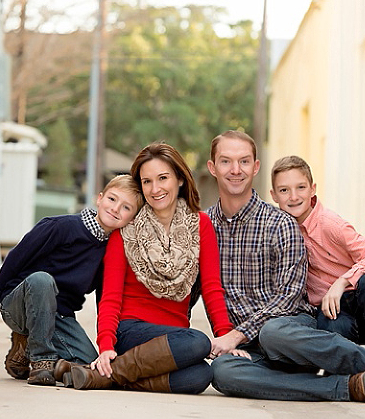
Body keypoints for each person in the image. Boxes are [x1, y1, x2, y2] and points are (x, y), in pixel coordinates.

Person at [204, 130, 365, 404]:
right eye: (225, 161)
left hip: (289, 332)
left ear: (255, 167)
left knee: (273, 332)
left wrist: (236, 334)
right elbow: (190, 287)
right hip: (245, 348)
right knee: (222, 373)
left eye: (243, 161)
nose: (235, 170)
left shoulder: (281, 223)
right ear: (212, 167)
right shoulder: (203, 225)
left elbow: (289, 296)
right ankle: (348, 386)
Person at [63, 142, 248, 396]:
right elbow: (110, 296)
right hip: (131, 331)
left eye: (163, 178)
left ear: (180, 179)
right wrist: (106, 344)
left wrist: (225, 336)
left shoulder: (201, 225)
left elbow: (212, 288)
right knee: (199, 342)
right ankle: (109, 369)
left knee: (201, 376)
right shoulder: (126, 230)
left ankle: (107, 376)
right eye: (147, 181)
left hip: (174, 338)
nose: (155, 189)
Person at [0, 174, 141, 386]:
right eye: (112, 199)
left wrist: (108, 343)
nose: (116, 209)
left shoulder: (110, 252)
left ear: (133, 218)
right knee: (42, 280)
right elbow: (14, 261)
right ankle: (42, 360)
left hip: (58, 316)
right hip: (19, 305)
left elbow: (105, 298)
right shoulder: (59, 227)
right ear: (99, 199)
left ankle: (27, 349)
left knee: (91, 365)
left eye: (126, 207)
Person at [271, 155, 365, 362]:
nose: (293, 196)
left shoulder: (330, 224)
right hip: (330, 312)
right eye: (284, 190)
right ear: (274, 195)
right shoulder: (278, 231)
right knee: (332, 327)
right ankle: (355, 372)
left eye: (301, 187)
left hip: (359, 300)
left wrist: (342, 282)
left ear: (313, 189)